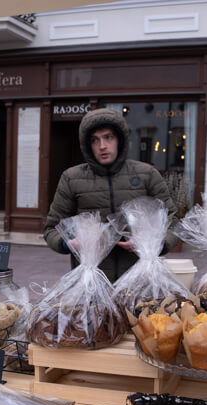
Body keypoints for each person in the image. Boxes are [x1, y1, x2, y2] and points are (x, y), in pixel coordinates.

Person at [44, 107, 178, 281]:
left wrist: (155, 244)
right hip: (91, 282)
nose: (102, 146)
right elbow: (51, 228)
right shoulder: (71, 178)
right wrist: (68, 243)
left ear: (120, 140)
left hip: (139, 281)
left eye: (108, 137)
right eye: (94, 140)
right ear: (87, 145)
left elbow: (173, 221)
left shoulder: (147, 174)